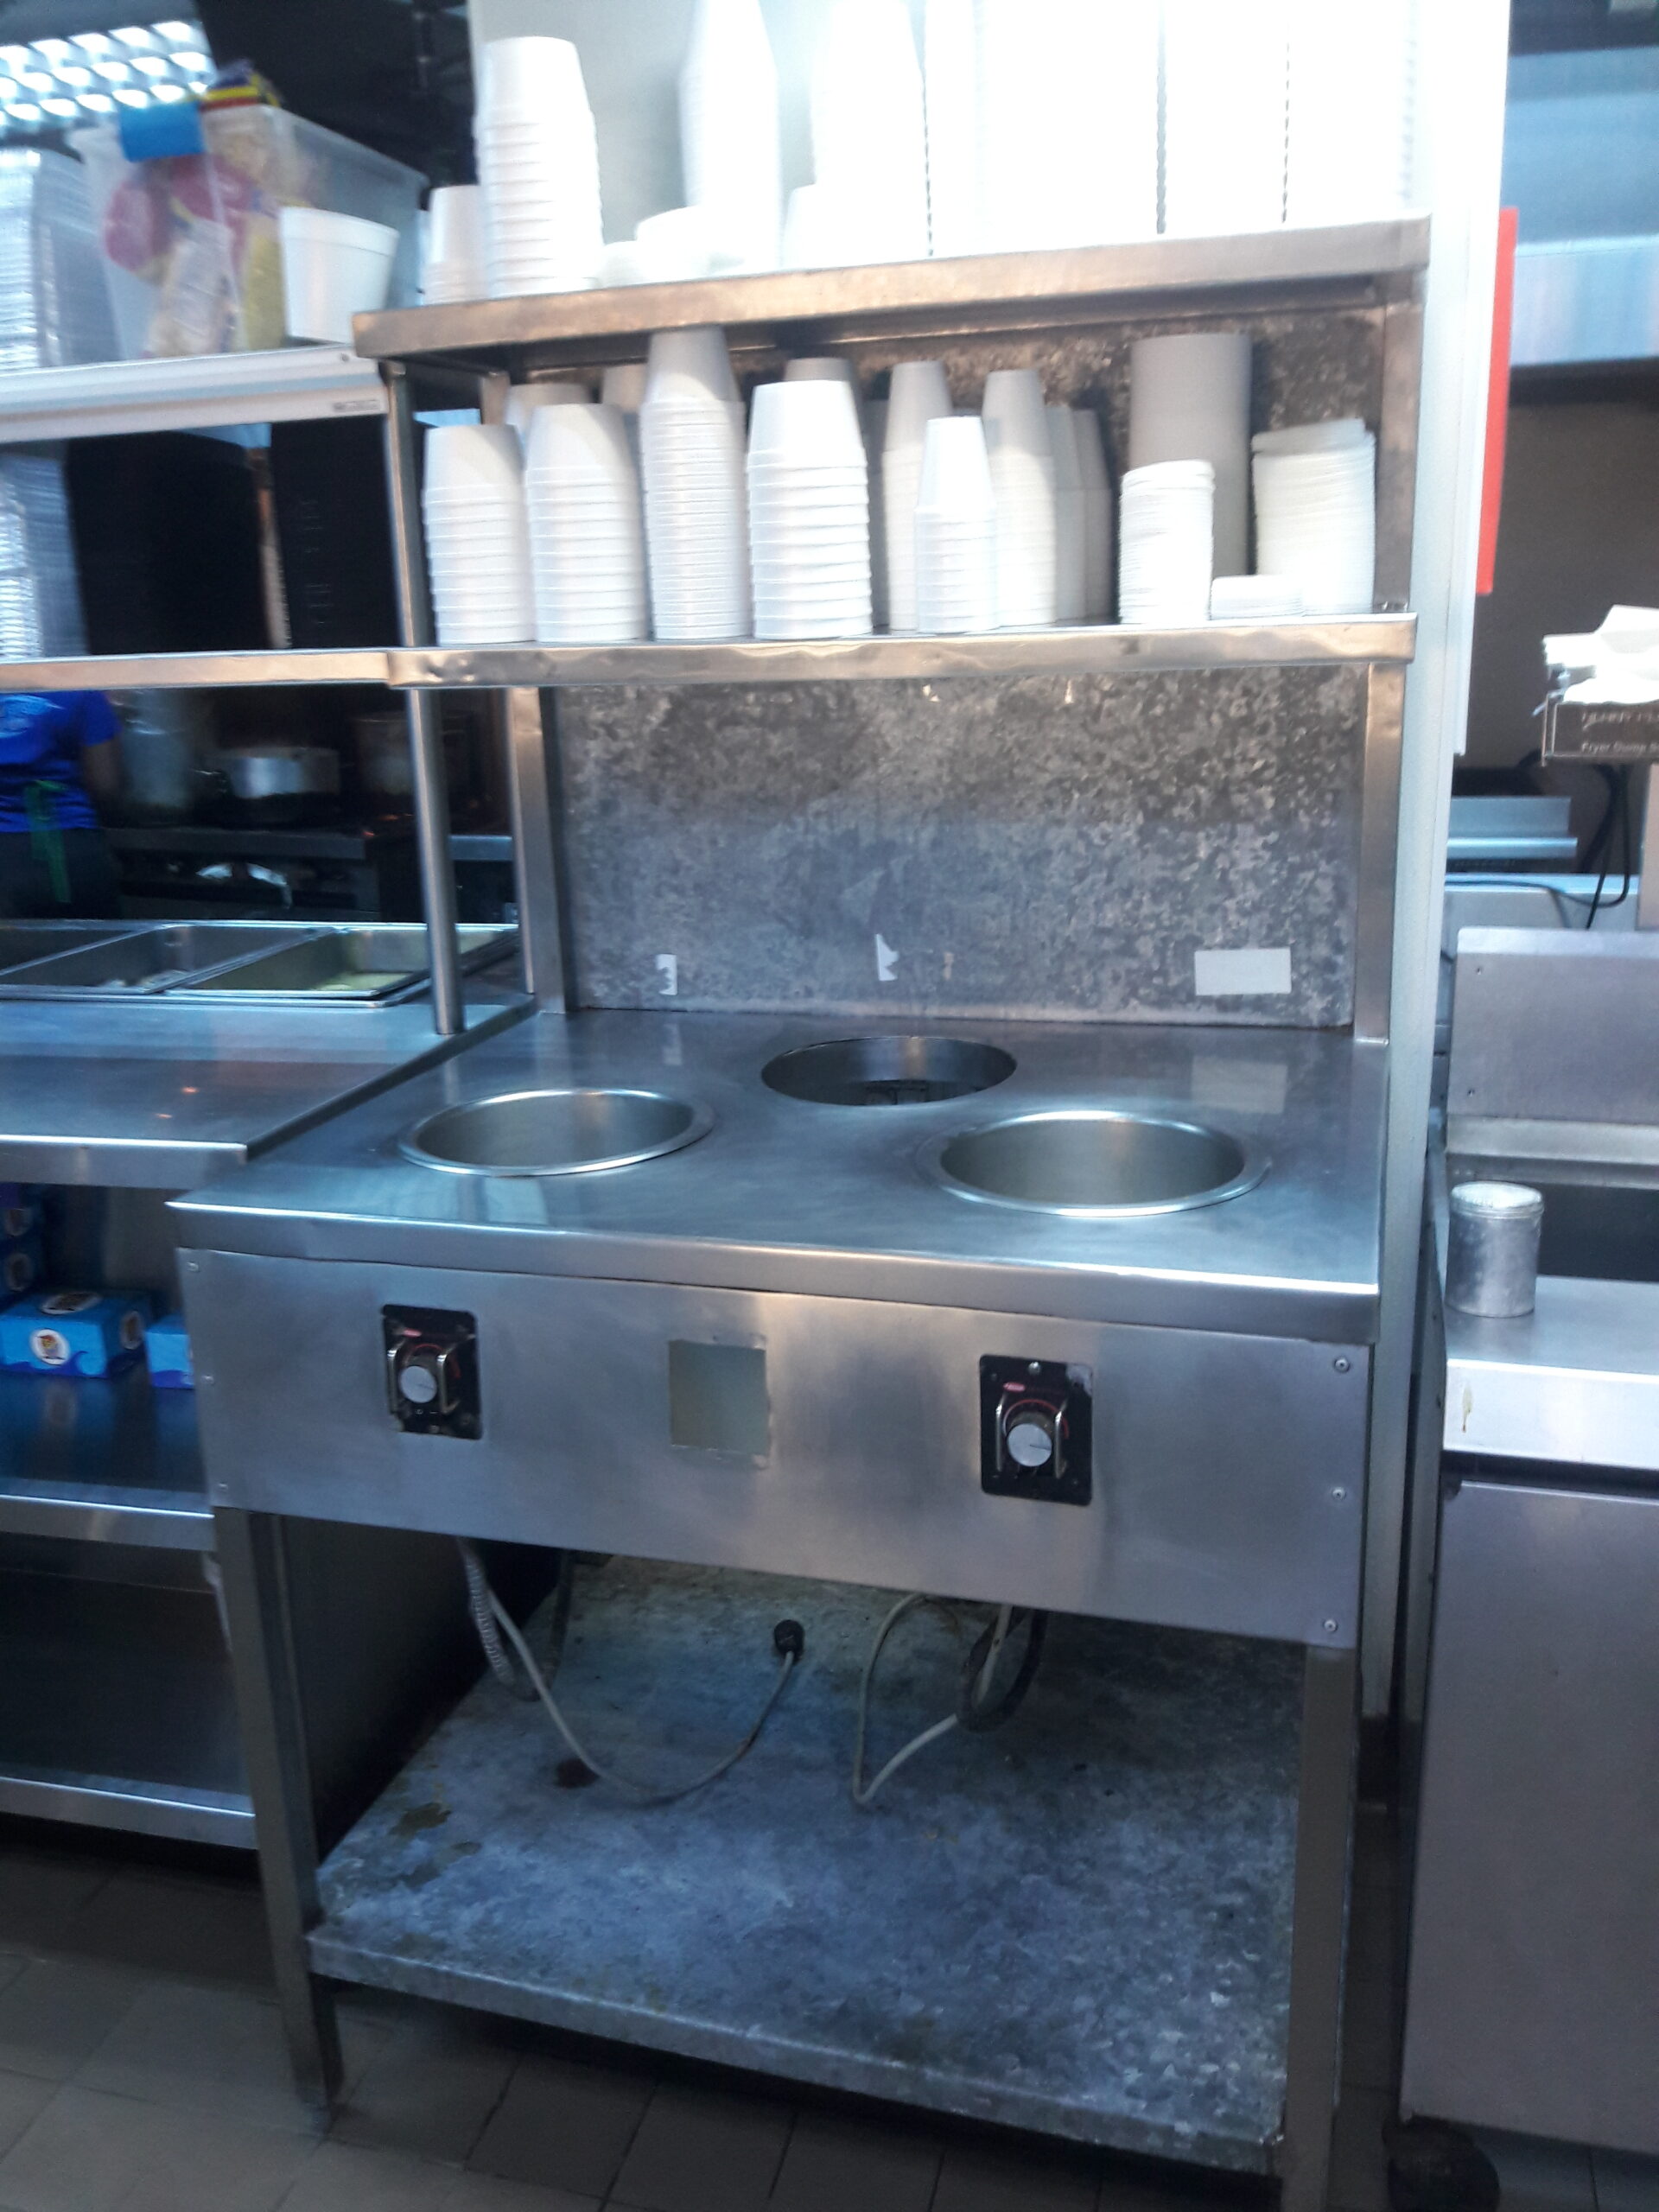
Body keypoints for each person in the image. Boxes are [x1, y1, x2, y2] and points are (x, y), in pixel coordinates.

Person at [0, 690, 122, 919]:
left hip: (5, 857)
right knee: (93, 941)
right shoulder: (81, 689)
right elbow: (105, 785)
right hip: (72, 850)